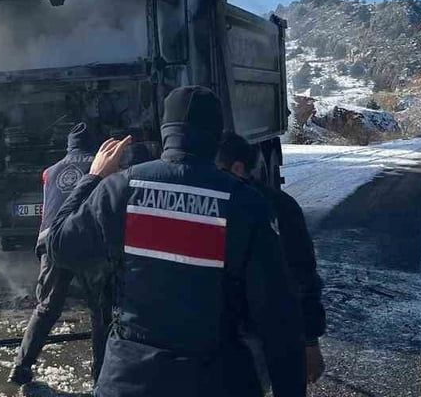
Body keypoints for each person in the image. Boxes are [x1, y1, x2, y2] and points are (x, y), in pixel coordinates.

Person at [47, 86, 307, 397]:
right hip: (216, 381)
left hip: (129, 382)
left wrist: (93, 178)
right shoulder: (245, 203)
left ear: (166, 130)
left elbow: (59, 245)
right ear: (216, 134)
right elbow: (277, 315)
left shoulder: (119, 190)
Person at [215, 132, 326, 389]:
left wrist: (310, 341)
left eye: (215, 168)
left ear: (238, 168)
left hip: (259, 337)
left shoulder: (277, 209)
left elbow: (303, 278)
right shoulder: (279, 205)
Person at [10, 123, 112, 386]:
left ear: (69, 146)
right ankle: (99, 379)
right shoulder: (100, 166)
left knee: (46, 307)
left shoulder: (50, 171)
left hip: (51, 242)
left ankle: (21, 368)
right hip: (84, 241)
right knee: (100, 311)